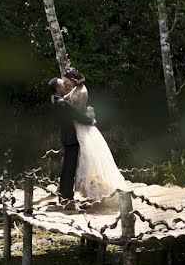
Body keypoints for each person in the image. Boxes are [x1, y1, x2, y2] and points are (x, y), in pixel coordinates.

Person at [61, 69, 128, 201]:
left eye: (67, 79)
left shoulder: (83, 91)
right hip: (76, 125)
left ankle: (97, 190)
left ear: (72, 79)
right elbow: (66, 99)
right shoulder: (75, 88)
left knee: (90, 157)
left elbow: (77, 111)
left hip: (82, 126)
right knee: (83, 157)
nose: (65, 82)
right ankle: (87, 189)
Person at [47, 76, 95, 208]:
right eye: (63, 84)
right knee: (69, 168)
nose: (65, 86)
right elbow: (76, 115)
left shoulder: (57, 101)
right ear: (57, 88)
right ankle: (67, 197)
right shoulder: (61, 103)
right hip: (71, 137)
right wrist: (91, 121)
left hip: (67, 137)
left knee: (67, 167)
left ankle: (64, 195)